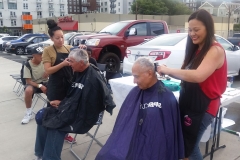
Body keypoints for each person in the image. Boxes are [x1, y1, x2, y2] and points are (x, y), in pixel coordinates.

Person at [157, 9, 227, 160]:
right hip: (189, 103)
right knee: (184, 144)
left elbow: (198, 76)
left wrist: (168, 70)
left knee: (190, 147)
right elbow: (185, 73)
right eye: (190, 30)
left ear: (208, 28)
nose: (192, 33)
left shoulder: (215, 50)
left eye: (196, 30)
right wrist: (167, 72)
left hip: (204, 107)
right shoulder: (195, 49)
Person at [34, 48, 115, 160]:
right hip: (71, 108)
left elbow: (89, 107)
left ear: (81, 63)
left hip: (83, 116)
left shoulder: (93, 80)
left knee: (55, 126)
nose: (69, 64)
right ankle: (41, 153)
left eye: (71, 61)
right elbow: (75, 95)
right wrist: (62, 103)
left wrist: (65, 106)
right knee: (42, 115)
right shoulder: (78, 72)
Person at [96, 57, 184, 160]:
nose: (134, 81)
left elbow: (168, 136)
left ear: (150, 73)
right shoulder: (135, 92)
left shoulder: (166, 97)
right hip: (131, 143)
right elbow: (122, 126)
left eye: (136, 77)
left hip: (153, 150)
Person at [42, 19, 75, 143]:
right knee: (52, 114)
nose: (61, 40)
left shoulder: (69, 48)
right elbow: (48, 71)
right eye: (57, 38)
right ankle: (49, 136)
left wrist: (82, 48)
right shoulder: (48, 51)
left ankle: (65, 134)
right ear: (51, 38)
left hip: (68, 86)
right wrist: (63, 64)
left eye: (62, 37)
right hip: (55, 87)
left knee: (66, 112)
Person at [21, 46, 48, 124]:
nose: (42, 56)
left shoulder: (45, 61)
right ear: (33, 55)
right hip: (33, 83)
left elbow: (51, 71)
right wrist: (39, 86)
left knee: (54, 88)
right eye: (40, 54)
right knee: (28, 90)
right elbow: (28, 81)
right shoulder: (28, 64)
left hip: (45, 82)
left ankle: (51, 111)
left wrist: (49, 73)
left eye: (43, 54)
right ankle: (28, 112)